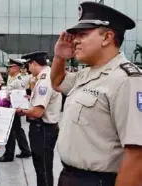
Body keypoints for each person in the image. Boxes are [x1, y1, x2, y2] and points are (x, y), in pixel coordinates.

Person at [50, 2, 142, 186]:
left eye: (83, 34)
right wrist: (60, 57)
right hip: (69, 176)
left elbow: (137, 155)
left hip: (98, 180)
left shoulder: (127, 79)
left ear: (107, 37)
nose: (75, 40)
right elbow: (57, 82)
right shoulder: (86, 74)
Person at [17, 51, 62, 186]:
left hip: (42, 129)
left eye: (28, 65)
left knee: (42, 167)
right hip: (45, 129)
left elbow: (37, 112)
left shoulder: (44, 80)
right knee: (43, 166)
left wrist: (21, 111)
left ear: (34, 63)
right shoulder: (47, 77)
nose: (28, 69)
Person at [0, 58, 31, 162]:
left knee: (10, 131)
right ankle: (25, 150)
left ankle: (9, 154)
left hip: (13, 108)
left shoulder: (18, 80)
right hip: (13, 108)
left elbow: (19, 96)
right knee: (17, 129)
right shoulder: (14, 78)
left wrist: (8, 97)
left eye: (10, 67)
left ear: (16, 68)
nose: (8, 69)